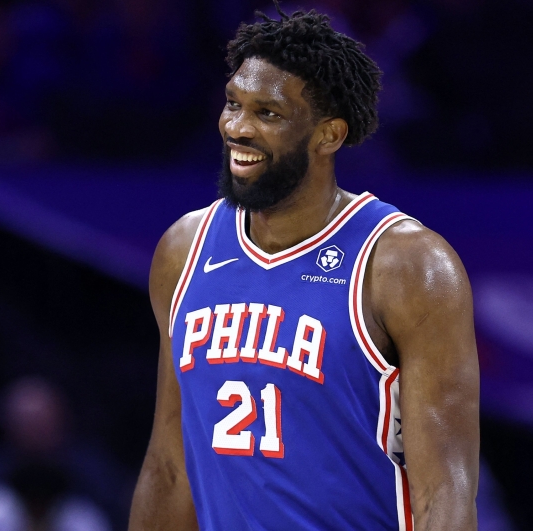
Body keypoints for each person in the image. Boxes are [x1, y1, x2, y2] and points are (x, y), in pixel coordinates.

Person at [128, 5, 479, 530]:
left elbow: (444, 493)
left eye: (267, 113)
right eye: (232, 104)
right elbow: (170, 466)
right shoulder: (184, 249)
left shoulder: (407, 265)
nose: (238, 128)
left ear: (328, 135)